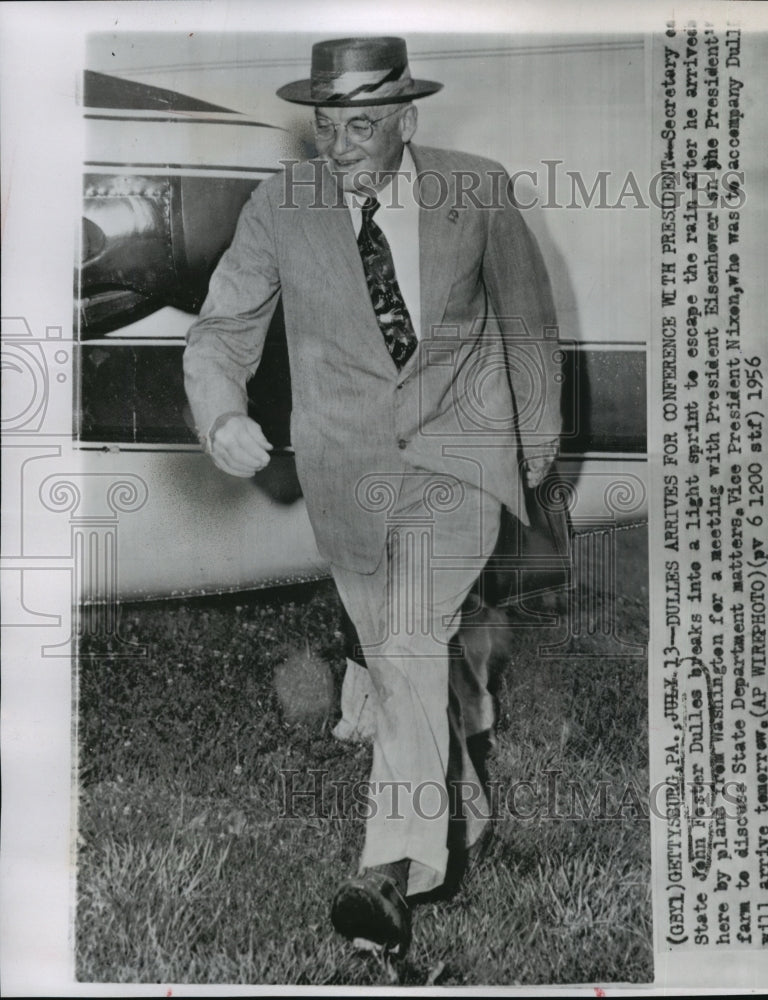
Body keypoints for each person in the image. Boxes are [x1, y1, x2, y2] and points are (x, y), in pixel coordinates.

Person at [183, 35, 561, 956]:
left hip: (460, 460)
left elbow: (528, 330)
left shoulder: (476, 190)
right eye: (325, 123)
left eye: (360, 124)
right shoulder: (282, 205)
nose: (340, 143)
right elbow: (221, 330)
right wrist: (221, 414)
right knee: (404, 667)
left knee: (405, 636)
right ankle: (460, 812)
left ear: (405, 120)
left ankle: (386, 876)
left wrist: (533, 458)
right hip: (345, 472)